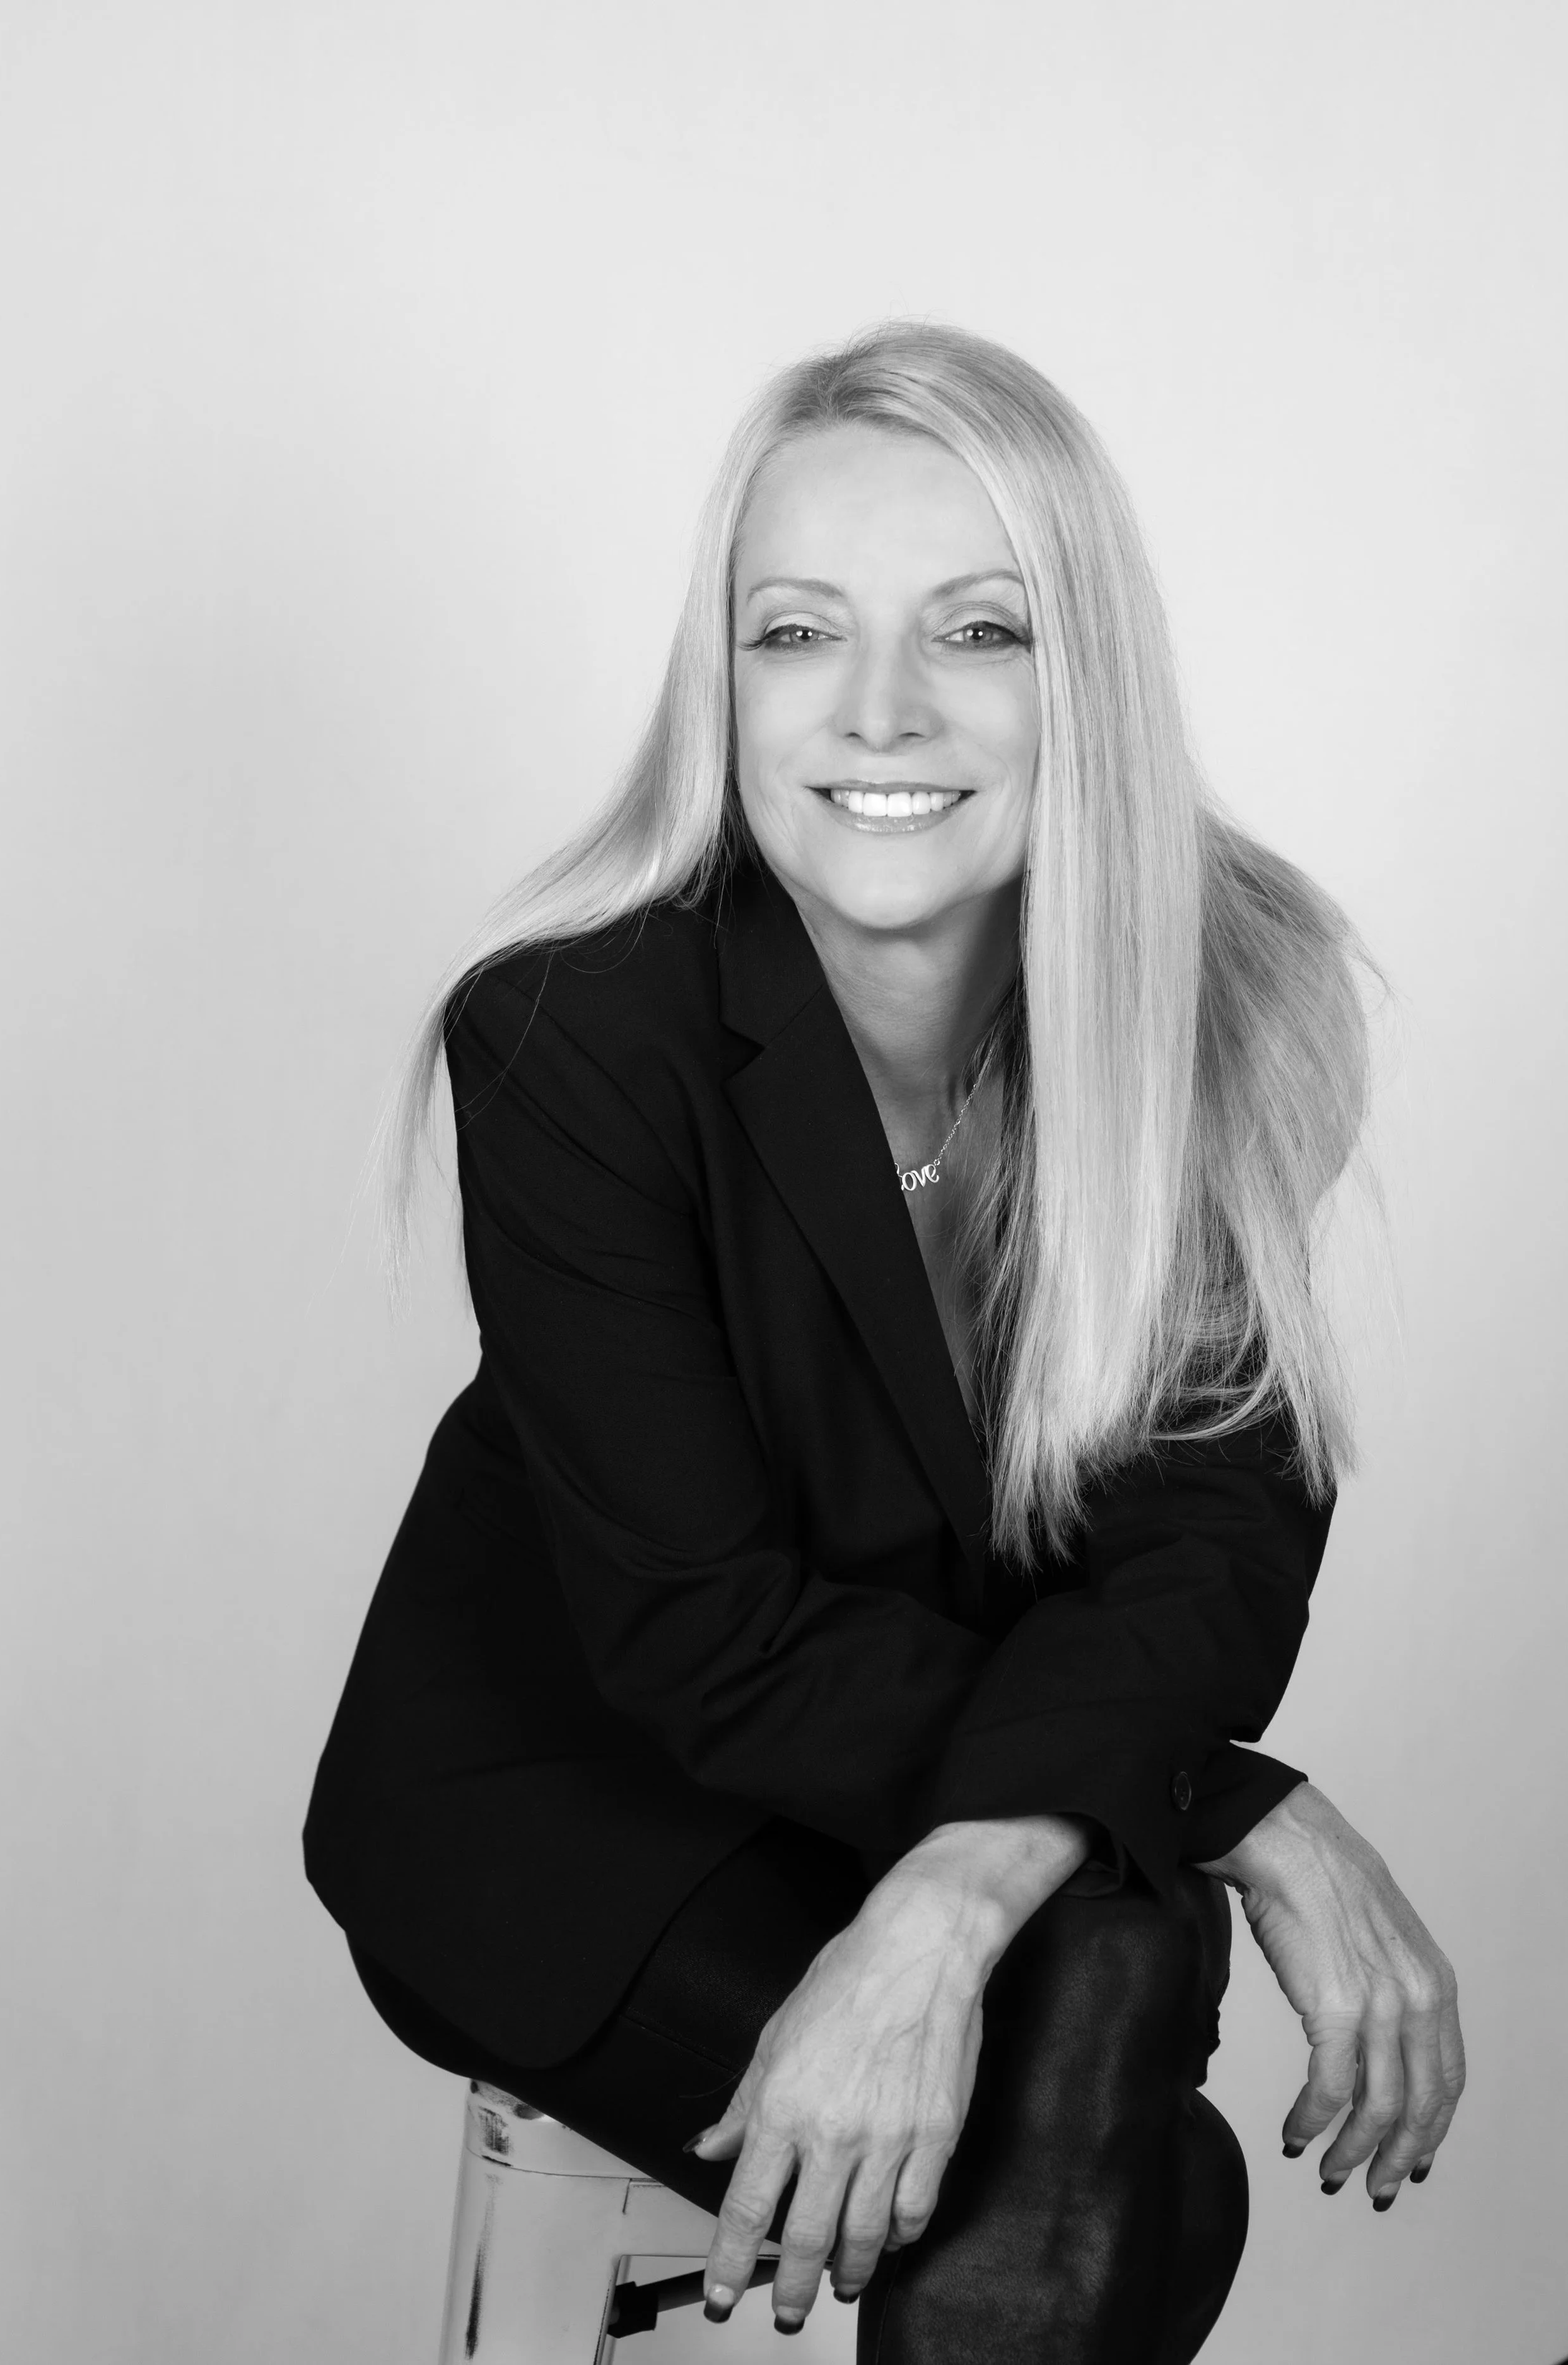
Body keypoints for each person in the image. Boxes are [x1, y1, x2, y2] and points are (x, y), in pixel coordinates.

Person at [304, 323, 1465, 2361]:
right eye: (794, 631)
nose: (878, 709)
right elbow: (704, 1628)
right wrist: (1220, 1800)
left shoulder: (1237, 1005)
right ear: (719, 682)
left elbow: (1209, 1534)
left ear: (1079, 671)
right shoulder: (572, 1044)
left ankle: (1065, 1951)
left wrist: (941, 1902)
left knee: (1094, 2025)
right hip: (557, 1798)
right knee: (1118, 2023)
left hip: (902, 1780)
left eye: (981, 629)